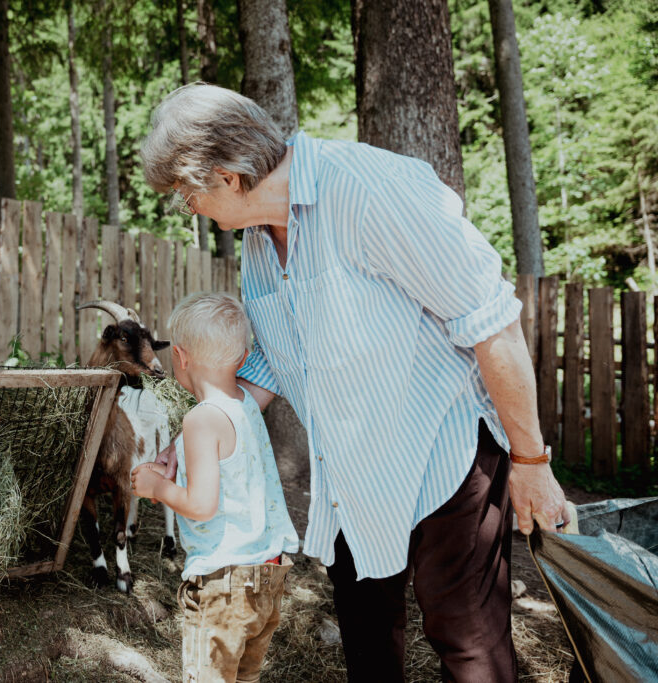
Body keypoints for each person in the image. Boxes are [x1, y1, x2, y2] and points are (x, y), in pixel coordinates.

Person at [140, 83, 570, 683]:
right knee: (367, 641)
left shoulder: (371, 190)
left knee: (467, 641)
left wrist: (531, 460)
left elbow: (491, 320)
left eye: (188, 192)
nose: (189, 207)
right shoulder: (259, 242)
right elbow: (274, 362)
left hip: (442, 456)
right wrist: (192, 445)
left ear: (229, 176)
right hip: (350, 474)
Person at [131, 292, 299, 683]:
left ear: (181, 358)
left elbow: (201, 505)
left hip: (223, 584)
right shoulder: (245, 402)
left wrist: (156, 487)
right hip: (267, 578)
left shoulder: (200, 421)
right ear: (242, 359)